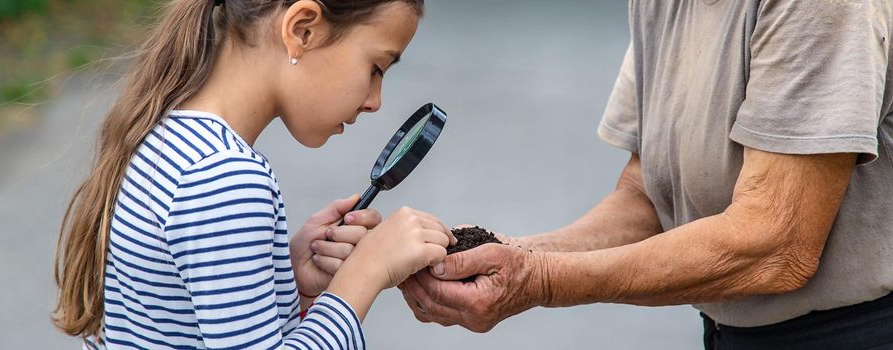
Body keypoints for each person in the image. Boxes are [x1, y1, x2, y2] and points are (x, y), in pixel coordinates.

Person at [399, 1, 893, 349]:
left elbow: (776, 244)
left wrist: (541, 281)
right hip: (726, 334)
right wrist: (510, 252)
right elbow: (646, 196)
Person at [53, 0, 455, 348]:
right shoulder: (225, 176)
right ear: (302, 29)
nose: (375, 101)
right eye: (376, 67)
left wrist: (284, 277)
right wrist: (365, 273)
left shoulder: (162, 135)